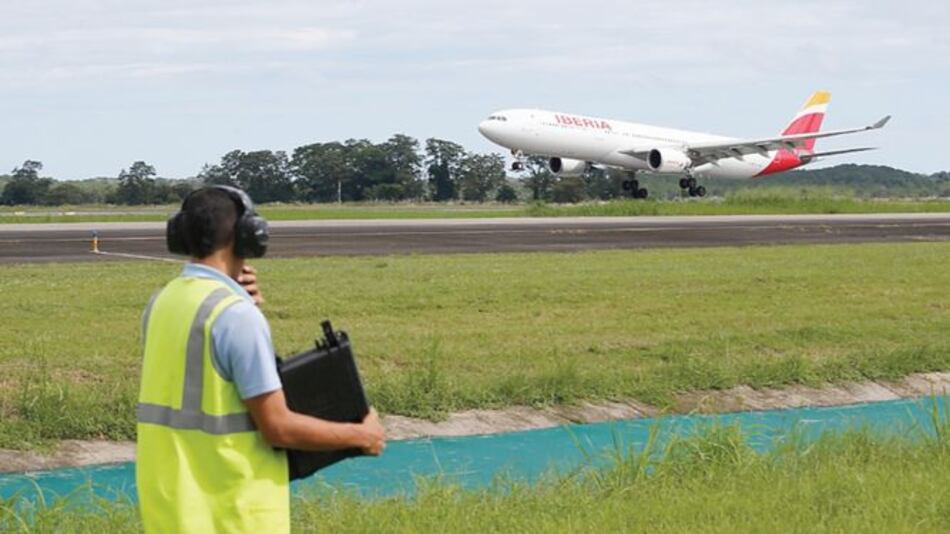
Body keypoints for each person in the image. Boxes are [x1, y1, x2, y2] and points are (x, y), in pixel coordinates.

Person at [136, 185, 385, 533]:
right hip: (233, 515)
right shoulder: (235, 317)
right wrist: (361, 435)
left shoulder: (160, 304)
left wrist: (239, 299)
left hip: (171, 514)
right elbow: (278, 427)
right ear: (248, 236)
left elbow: (202, 378)